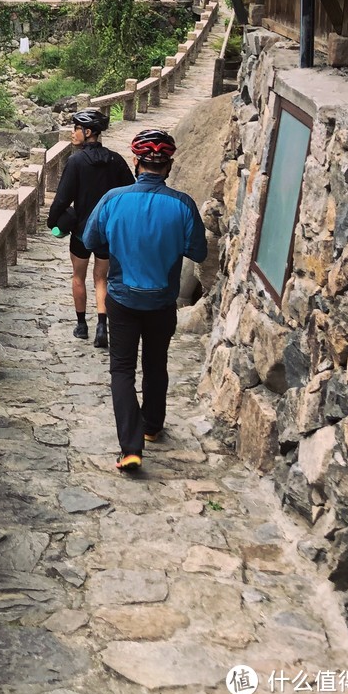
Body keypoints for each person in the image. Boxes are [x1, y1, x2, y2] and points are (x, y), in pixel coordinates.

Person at [83, 129, 207, 473]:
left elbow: (93, 240)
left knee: (122, 369)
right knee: (156, 362)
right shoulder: (183, 205)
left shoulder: (112, 199)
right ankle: (152, 425)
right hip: (162, 301)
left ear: (136, 162)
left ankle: (130, 448)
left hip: (122, 298)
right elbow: (198, 251)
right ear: (168, 166)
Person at [46, 110, 133, 348]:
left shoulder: (75, 162)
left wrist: (52, 222)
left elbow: (62, 198)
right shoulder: (116, 160)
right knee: (101, 278)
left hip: (82, 231)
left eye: (76, 128)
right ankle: (102, 326)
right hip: (108, 232)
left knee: (78, 276)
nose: (73, 133)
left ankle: (81, 325)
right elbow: (130, 192)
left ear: (87, 132)